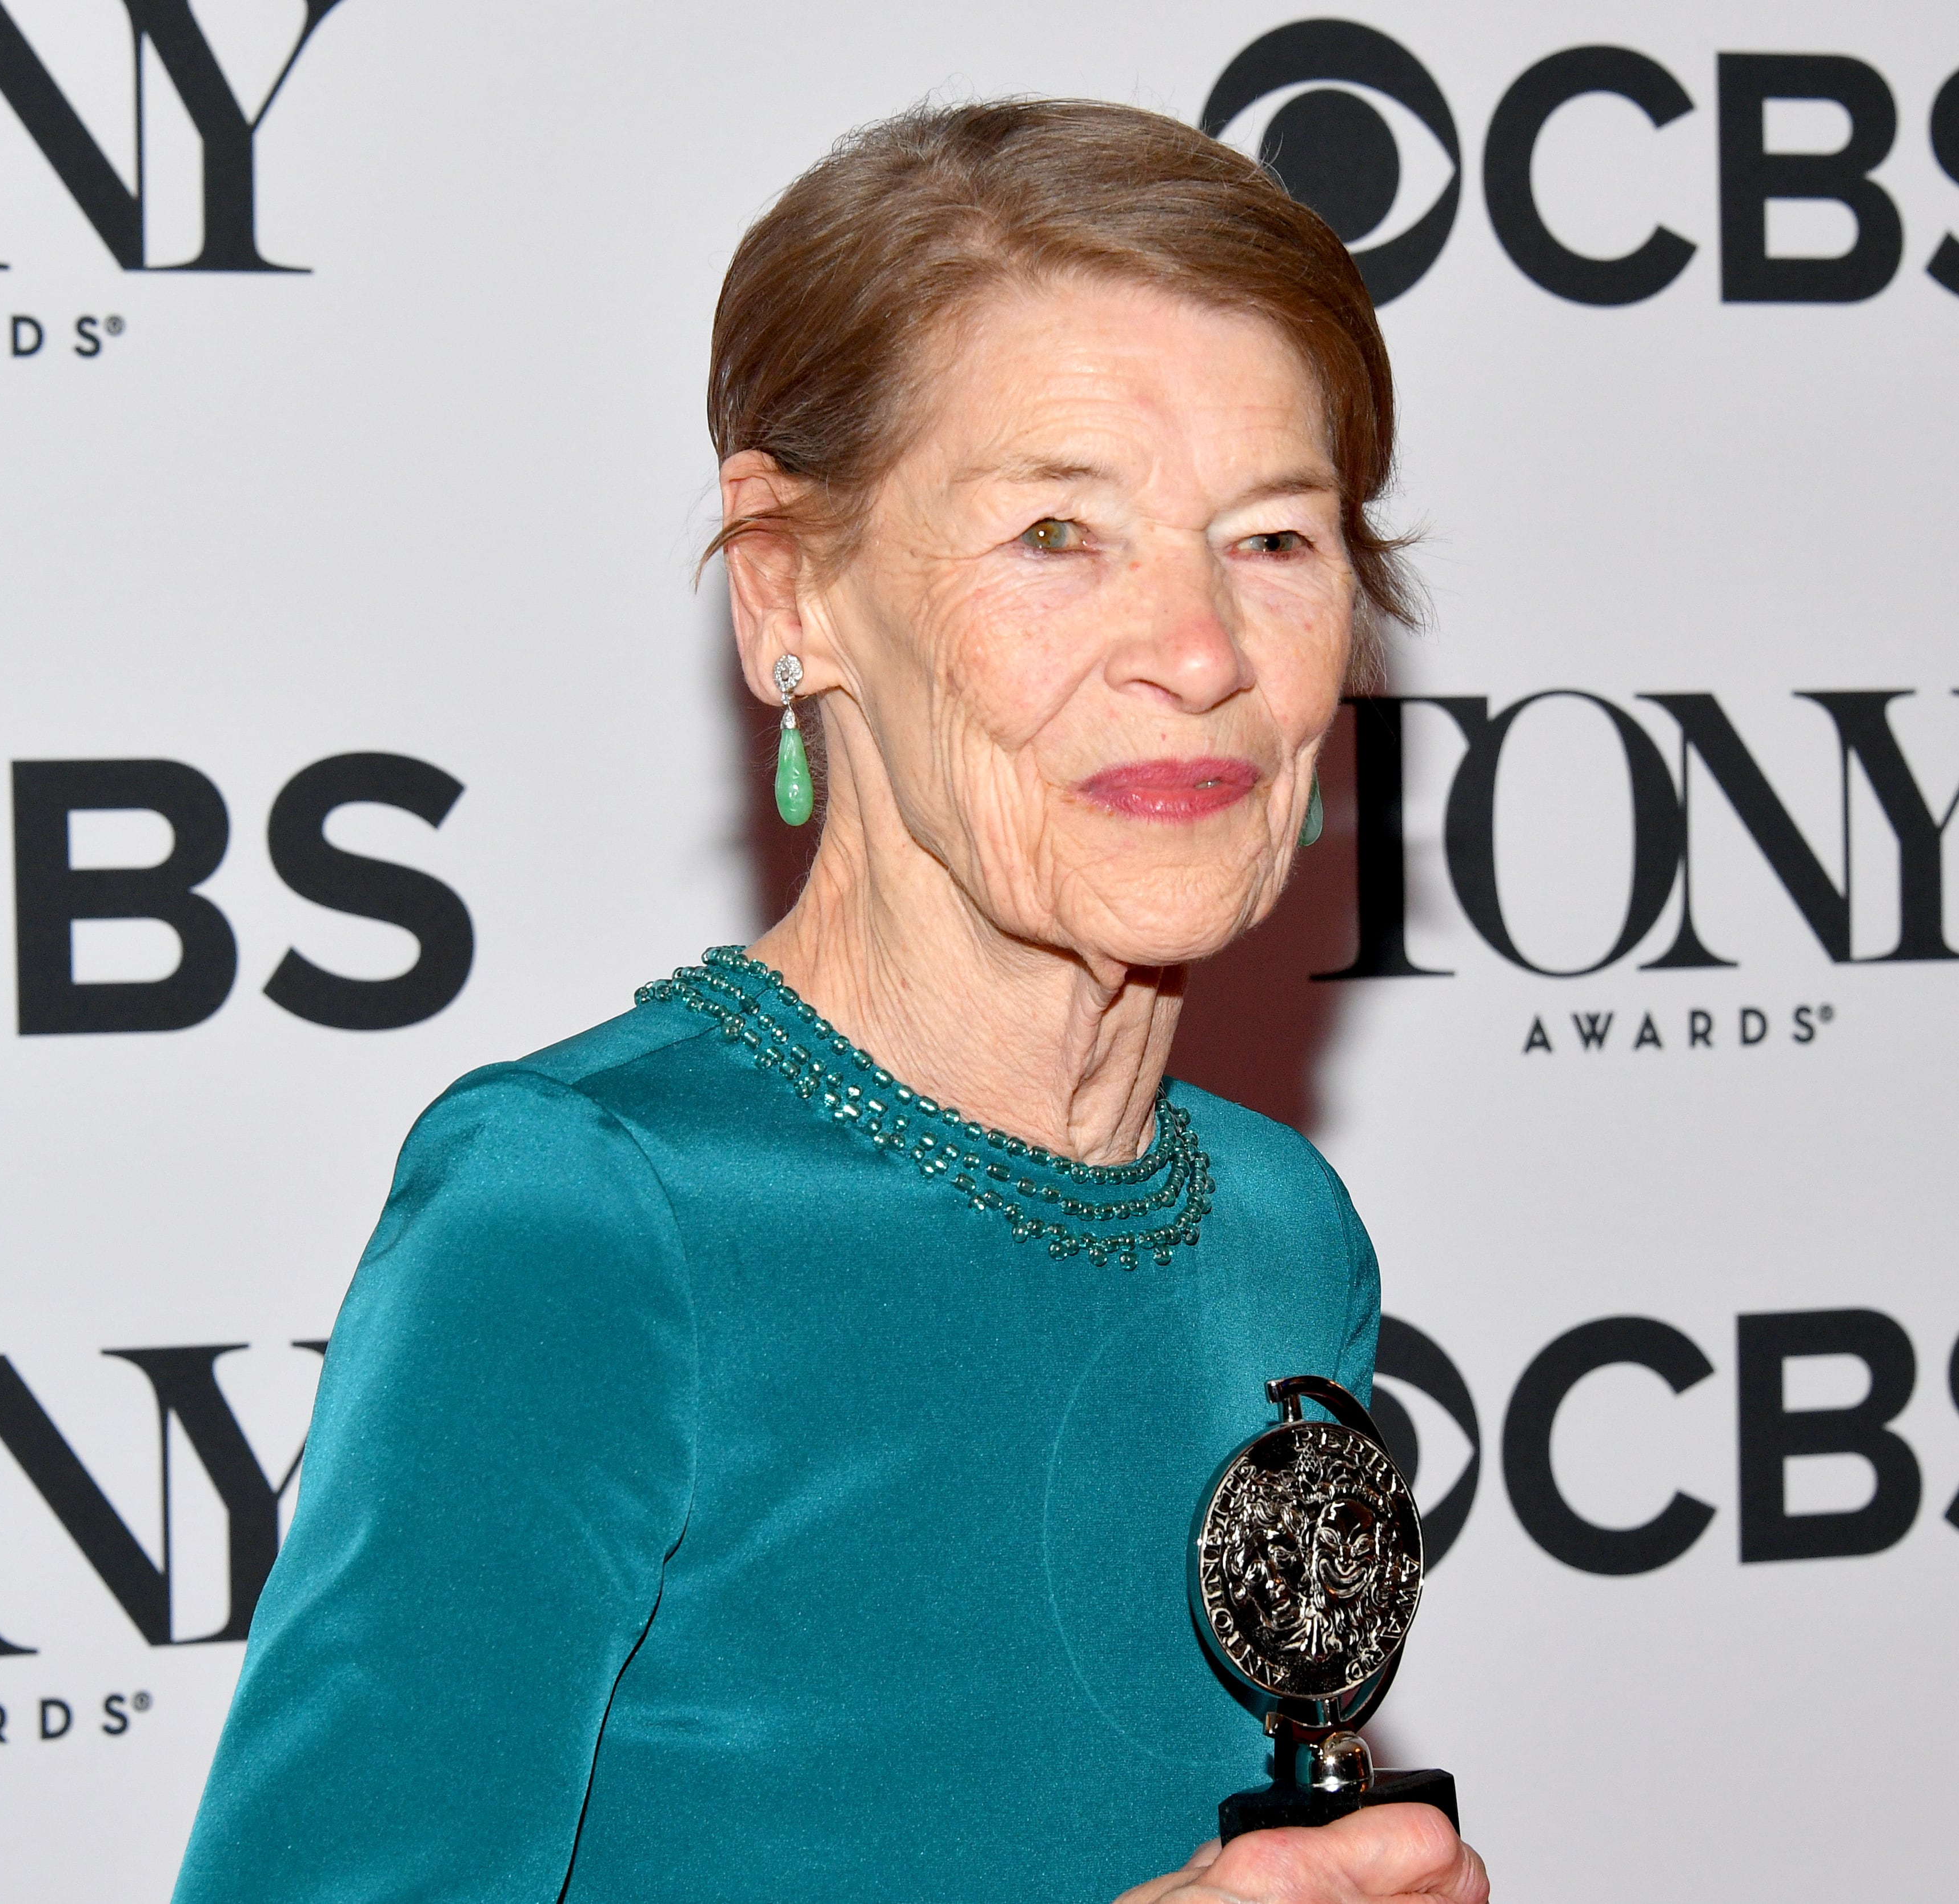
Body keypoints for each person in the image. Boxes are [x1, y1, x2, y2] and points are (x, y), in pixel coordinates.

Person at [173, 99, 1487, 1904]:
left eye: (1272, 540)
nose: (1198, 650)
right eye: (1056, 533)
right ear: (790, 589)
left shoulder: (1281, 1234)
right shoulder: (586, 1219)